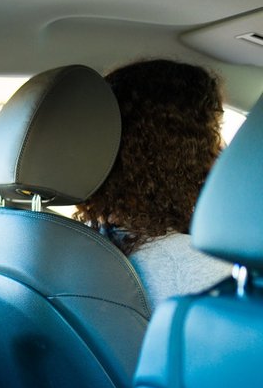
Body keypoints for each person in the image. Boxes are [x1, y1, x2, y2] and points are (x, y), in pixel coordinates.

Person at [75, 58, 232, 311]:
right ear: (182, 154)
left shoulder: (86, 239)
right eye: (214, 133)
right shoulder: (197, 269)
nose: (222, 152)